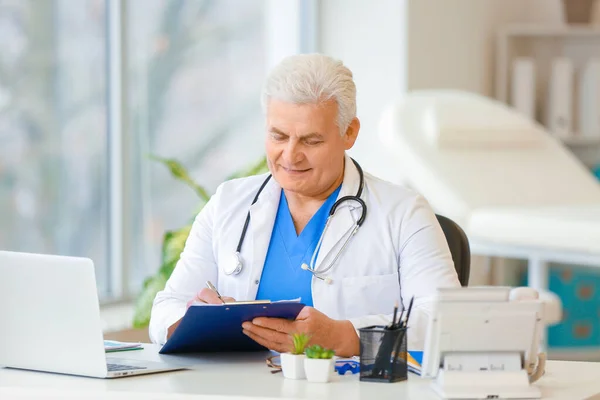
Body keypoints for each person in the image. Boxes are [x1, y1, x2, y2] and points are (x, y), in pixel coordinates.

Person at [149, 53, 460, 356]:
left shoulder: (404, 214)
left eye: (311, 140)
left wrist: (343, 337)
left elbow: (446, 325)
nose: (290, 155)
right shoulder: (228, 204)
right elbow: (166, 308)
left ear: (349, 132)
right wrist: (194, 323)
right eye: (279, 136)